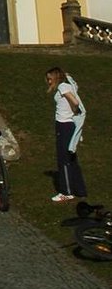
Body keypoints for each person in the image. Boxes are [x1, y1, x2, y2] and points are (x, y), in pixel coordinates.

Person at [46, 65, 86, 202]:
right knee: (72, 159)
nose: (49, 82)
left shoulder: (63, 87)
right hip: (68, 125)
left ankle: (66, 191)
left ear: (56, 77)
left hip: (64, 125)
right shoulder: (69, 84)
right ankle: (80, 189)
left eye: (50, 79)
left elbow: (74, 101)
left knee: (64, 160)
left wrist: (74, 111)